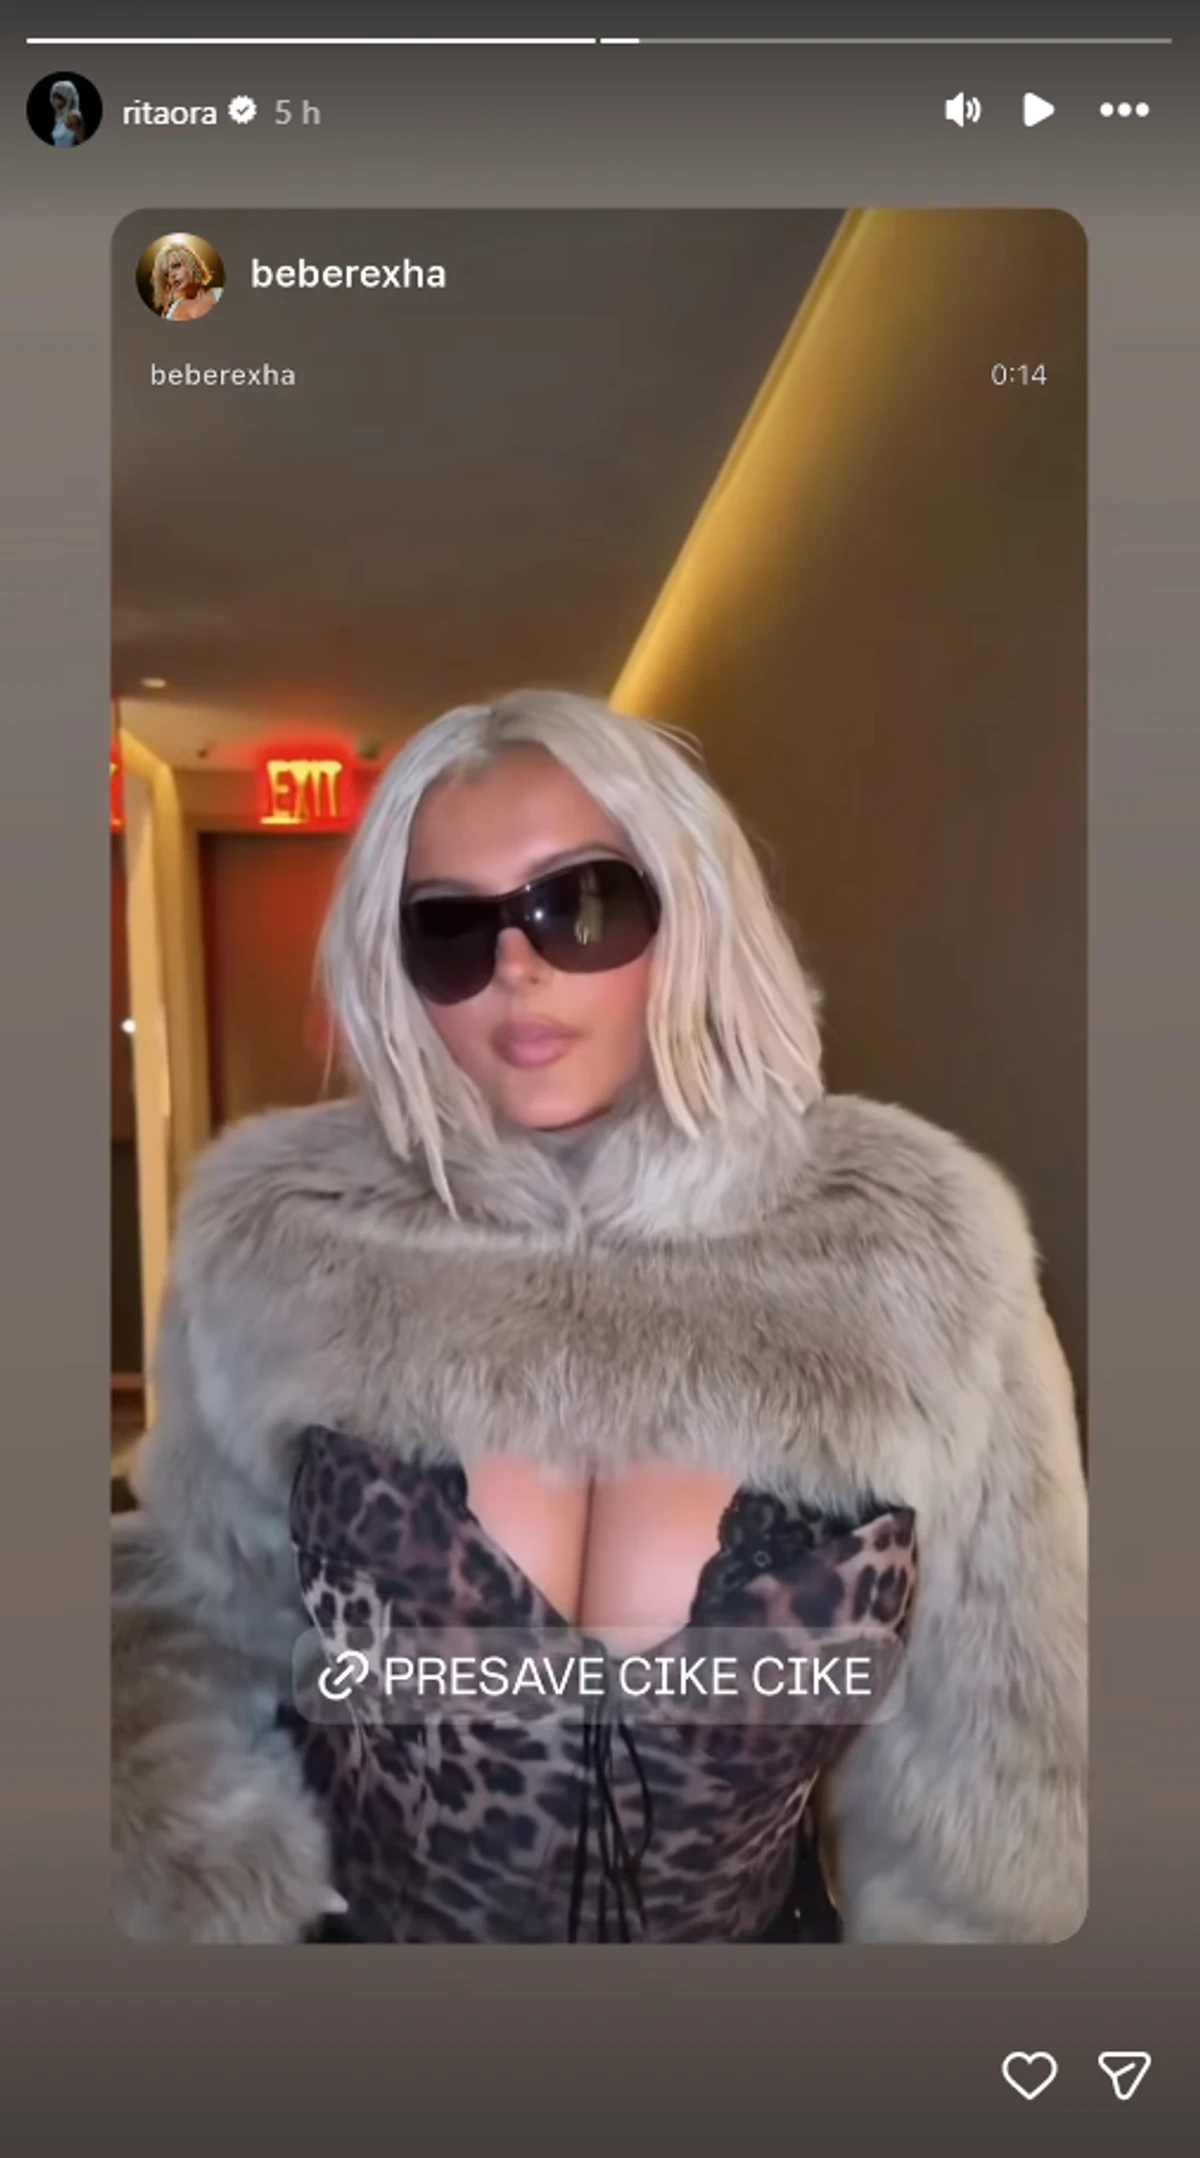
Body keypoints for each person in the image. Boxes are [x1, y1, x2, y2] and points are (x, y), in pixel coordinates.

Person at [111, 688, 1087, 1945]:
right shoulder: (279, 1236)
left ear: (690, 910)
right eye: (450, 929)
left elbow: (1007, 1753)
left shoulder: (916, 1243)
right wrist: (202, 1895)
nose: (515, 968)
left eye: (577, 904)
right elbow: (195, 1610)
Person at [150, 241, 222, 322]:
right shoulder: (170, 312)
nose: (172, 275)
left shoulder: (219, 295)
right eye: (167, 274)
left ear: (191, 264)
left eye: (176, 266)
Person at [49, 80, 86, 145]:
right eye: (54, 95)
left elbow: (82, 141)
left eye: (58, 96)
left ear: (67, 96)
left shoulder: (73, 116)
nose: (55, 99)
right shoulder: (60, 117)